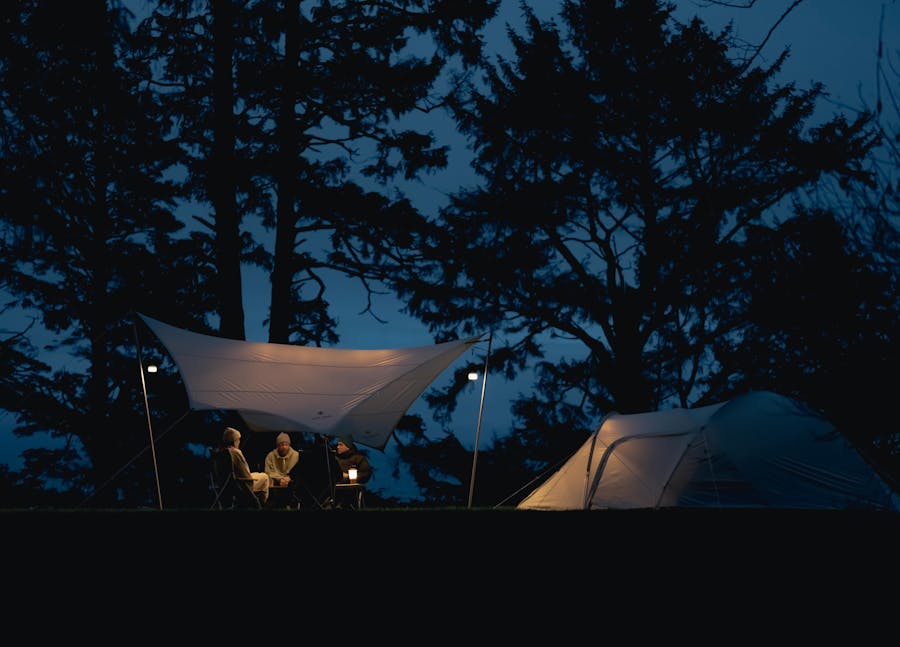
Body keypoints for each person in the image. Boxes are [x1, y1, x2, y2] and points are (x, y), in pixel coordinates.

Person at [222, 426, 269, 505]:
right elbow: (245, 473)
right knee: (264, 477)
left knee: (259, 474)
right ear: (234, 440)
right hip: (242, 485)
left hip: (226, 483)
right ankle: (259, 503)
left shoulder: (223, 452)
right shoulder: (235, 452)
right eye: (238, 439)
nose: (239, 442)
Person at [264, 432, 301, 508]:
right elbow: (268, 472)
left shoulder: (296, 455)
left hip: (292, 484)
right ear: (277, 446)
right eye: (281, 444)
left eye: (286, 444)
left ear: (289, 445)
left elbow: (298, 471)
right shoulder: (271, 456)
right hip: (275, 485)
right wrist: (280, 479)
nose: (284, 447)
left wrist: (289, 478)